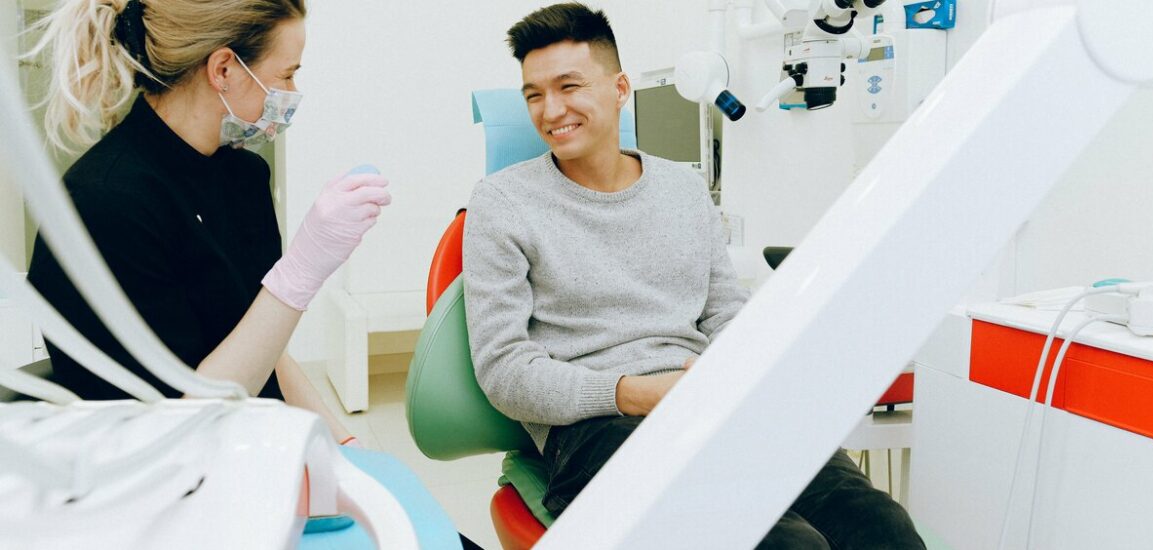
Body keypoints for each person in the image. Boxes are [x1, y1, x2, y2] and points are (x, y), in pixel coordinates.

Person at [462, 3, 925, 548]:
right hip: (597, 424)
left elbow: (725, 310)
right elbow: (503, 369)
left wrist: (736, 375)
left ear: (619, 88)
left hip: (710, 400)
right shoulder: (503, 203)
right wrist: (634, 393)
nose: (551, 110)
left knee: (881, 528)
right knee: (789, 545)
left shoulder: (683, 189)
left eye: (569, 86)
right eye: (534, 95)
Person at [24, 0, 383, 444]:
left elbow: (259, 342)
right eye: (286, 74)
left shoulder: (242, 175)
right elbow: (182, 426)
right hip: (156, 474)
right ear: (224, 70)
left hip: (250, 444)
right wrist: (301, 272)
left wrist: (339, 443)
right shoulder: (104, 205)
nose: (292, 91)